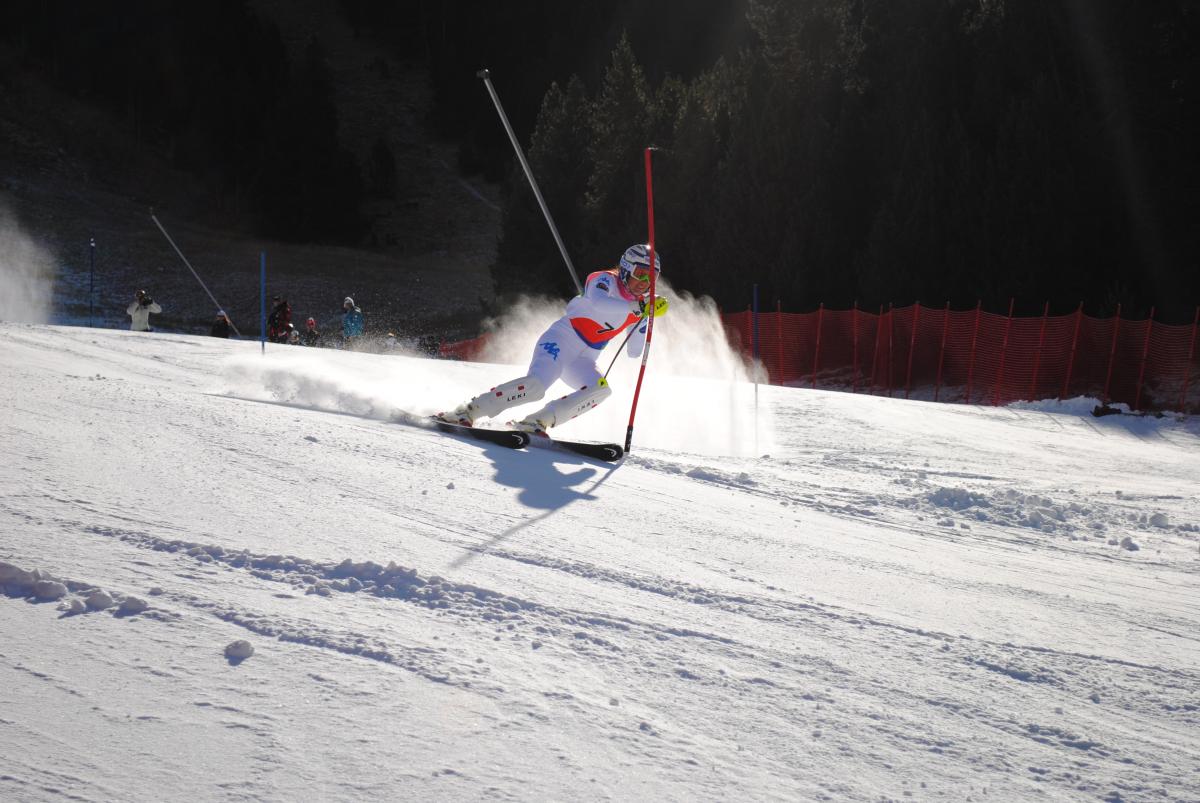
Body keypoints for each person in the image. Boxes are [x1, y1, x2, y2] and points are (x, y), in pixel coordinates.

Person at [436, 243, 668, 434]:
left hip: (584, 358)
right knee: (536, 386)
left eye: (652, 278)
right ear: (626, 268)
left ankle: (537, 422)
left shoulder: (640, 305)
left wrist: (647, 318)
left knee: (600, 391)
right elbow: (598, 303)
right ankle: (468, 411)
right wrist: (636, 306)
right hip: (561, 340)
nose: (645, 283)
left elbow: (634, 351)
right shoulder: (604, 280)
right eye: (640, 274)